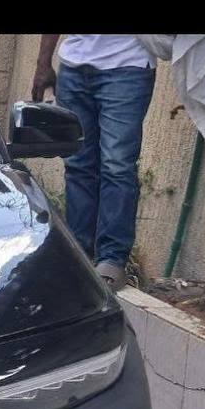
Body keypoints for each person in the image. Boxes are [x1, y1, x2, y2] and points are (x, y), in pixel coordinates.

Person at [33, 35, 157, 291]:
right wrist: (43, 64)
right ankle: (78, 254)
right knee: (77, 165)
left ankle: (111, 259)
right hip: (74, 66)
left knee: (117, 165)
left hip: (127, 67)